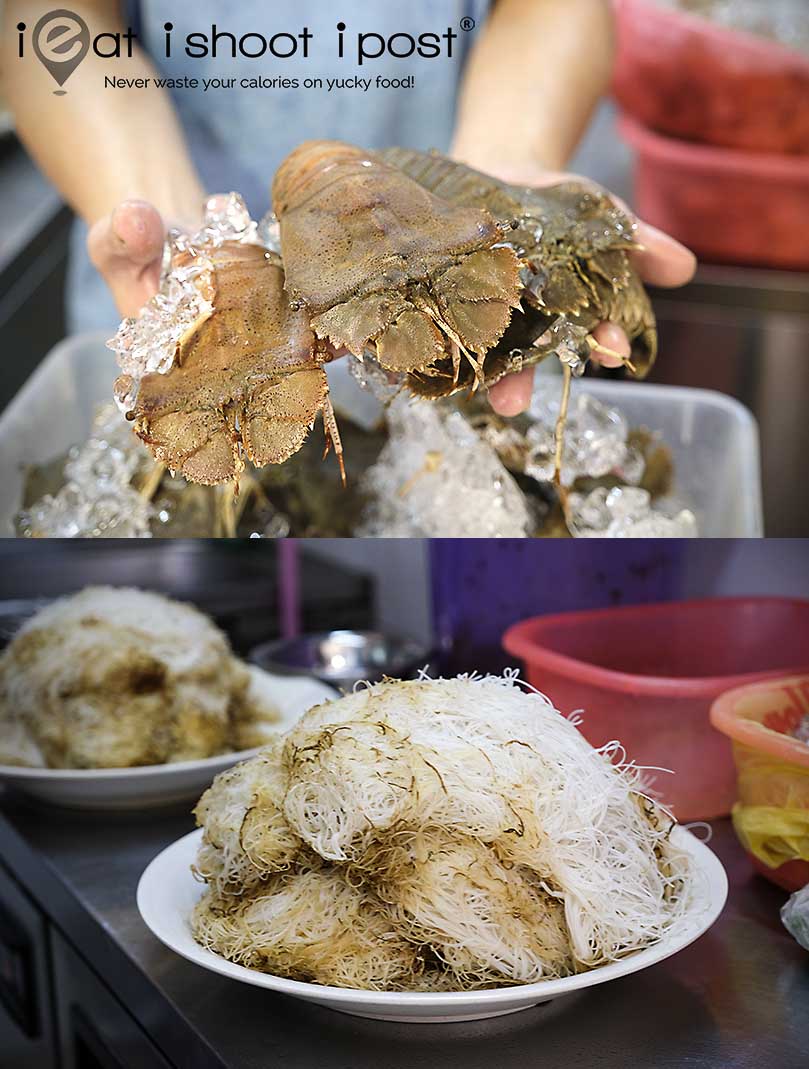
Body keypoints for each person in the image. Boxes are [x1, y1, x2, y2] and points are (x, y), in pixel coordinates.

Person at [2, 0, 695, 415]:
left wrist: (492, 175)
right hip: (174, 229)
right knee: (192, 419)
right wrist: (144, 200)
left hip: (441, 182)